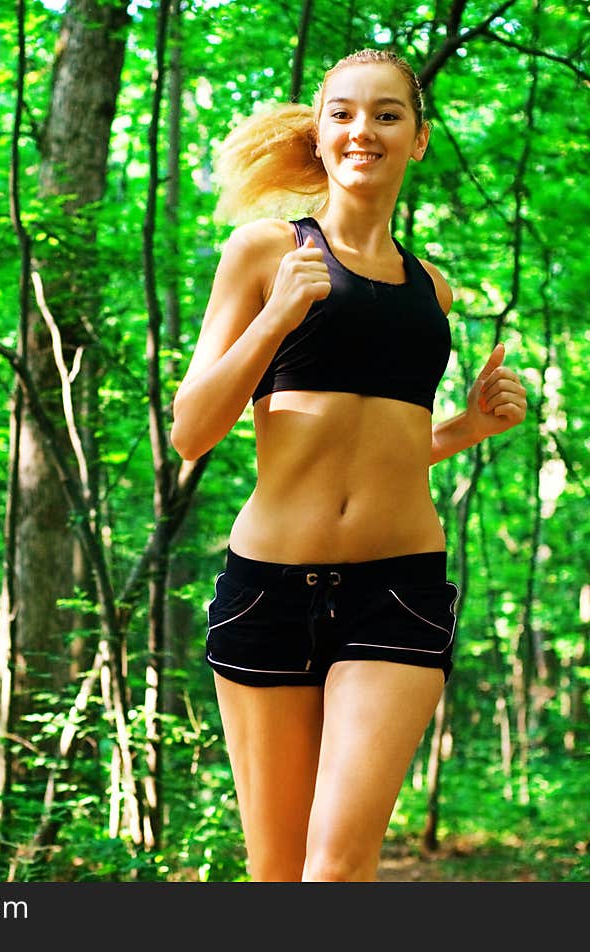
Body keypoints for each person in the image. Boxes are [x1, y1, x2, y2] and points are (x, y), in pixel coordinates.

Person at [169, 48, 527, 882]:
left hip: (397, 588)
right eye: (343, 113)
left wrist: (468, 426)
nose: (363, 128)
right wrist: (278, 316)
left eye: (387, 114)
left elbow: (390, 450)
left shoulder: (427, 290)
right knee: (279, 874)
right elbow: (192, 431)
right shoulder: (264, 252)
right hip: (269, 591)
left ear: (419, 140)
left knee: (334, 868)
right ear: (322, 136)